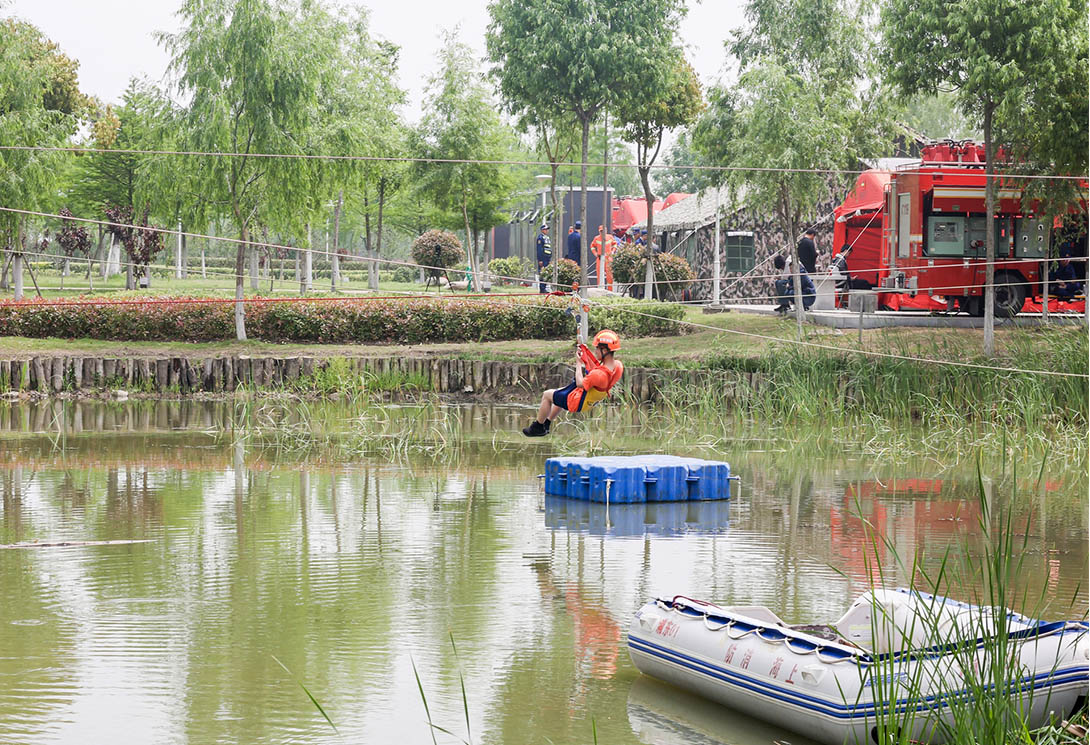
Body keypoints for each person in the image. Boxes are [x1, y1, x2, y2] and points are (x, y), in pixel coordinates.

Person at [522, 329, 624, 437]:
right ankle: (547, 424)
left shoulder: (598, 375)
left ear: (604, 350)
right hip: (589, 400)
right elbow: (597, 370)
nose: (596, 351)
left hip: (577, 402)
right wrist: (586, 353)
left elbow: (580, 383)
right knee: (559, 391)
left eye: (597, 349)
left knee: (547, 395)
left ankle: (538, 427)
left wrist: (578, 363)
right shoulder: (618, 366)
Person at [535, 223, 552, 293]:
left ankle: (544, 287)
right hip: (543, 259)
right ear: (542, 230)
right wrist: (540, 260)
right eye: (545, 229)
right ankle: (542, 288)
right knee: (542, 273)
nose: (547, 231)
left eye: (547, 229)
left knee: (546, 273)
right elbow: (539, 250)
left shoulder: (547, 237)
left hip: (547, 258)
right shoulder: (540, 238)